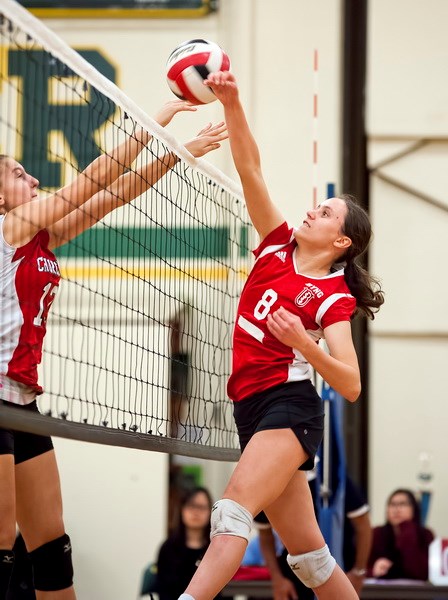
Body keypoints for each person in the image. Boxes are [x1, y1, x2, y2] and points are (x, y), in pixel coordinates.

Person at [0, 100, 227, 600]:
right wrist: (155, 120)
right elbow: (90, 180)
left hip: (22, 404)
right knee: (1, 546)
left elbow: (113, 195)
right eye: (20, 174)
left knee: (51, 547)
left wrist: (179, 154)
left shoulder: (37, 237)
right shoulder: (7, 229)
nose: (34, 180)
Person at [177, 70, 384, 600]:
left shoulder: (333, 299)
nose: (312, 210)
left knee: (231, 510)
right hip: (249, 404)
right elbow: (249, 167)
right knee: (311, 561)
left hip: (288, 407)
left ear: (340, 239)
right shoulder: (275, 247)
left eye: (325, 212)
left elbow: (352, 385)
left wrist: (304, 343)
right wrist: (232, 101)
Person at [254, 474, 372, 599]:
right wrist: (277, 579)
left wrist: (359, 571)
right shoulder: (271, 480)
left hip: (334, 562)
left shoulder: (330, 475)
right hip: (296, 568)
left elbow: (363, 523)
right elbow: (264, 533)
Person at [156, 487, 216, 600]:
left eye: (201, 507)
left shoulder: (215, 548)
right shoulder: (168, 548)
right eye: (191, 506)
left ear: (210, 512)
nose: (196, 512)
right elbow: (163, 591)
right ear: (182, 510)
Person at [367, 488, 434, 581]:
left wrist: (406, 528)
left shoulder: (425, 534)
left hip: (417, 592)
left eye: (403, 504)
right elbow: (359, 570)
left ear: (414, 508)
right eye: (392, 504)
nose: (397, 509)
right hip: (381, 591)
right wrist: (373, 571)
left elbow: (422, 572)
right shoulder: (376, 533)